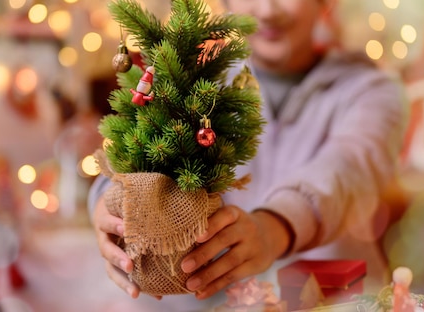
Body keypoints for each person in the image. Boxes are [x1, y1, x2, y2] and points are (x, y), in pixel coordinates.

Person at [87, 0, 406, 310]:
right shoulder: (196, 83)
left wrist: (275, 228)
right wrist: (107, 202)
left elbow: (349, 169)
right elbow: (136, 148)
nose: (268, 10)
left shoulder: (371, 90)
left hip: (335, 301)